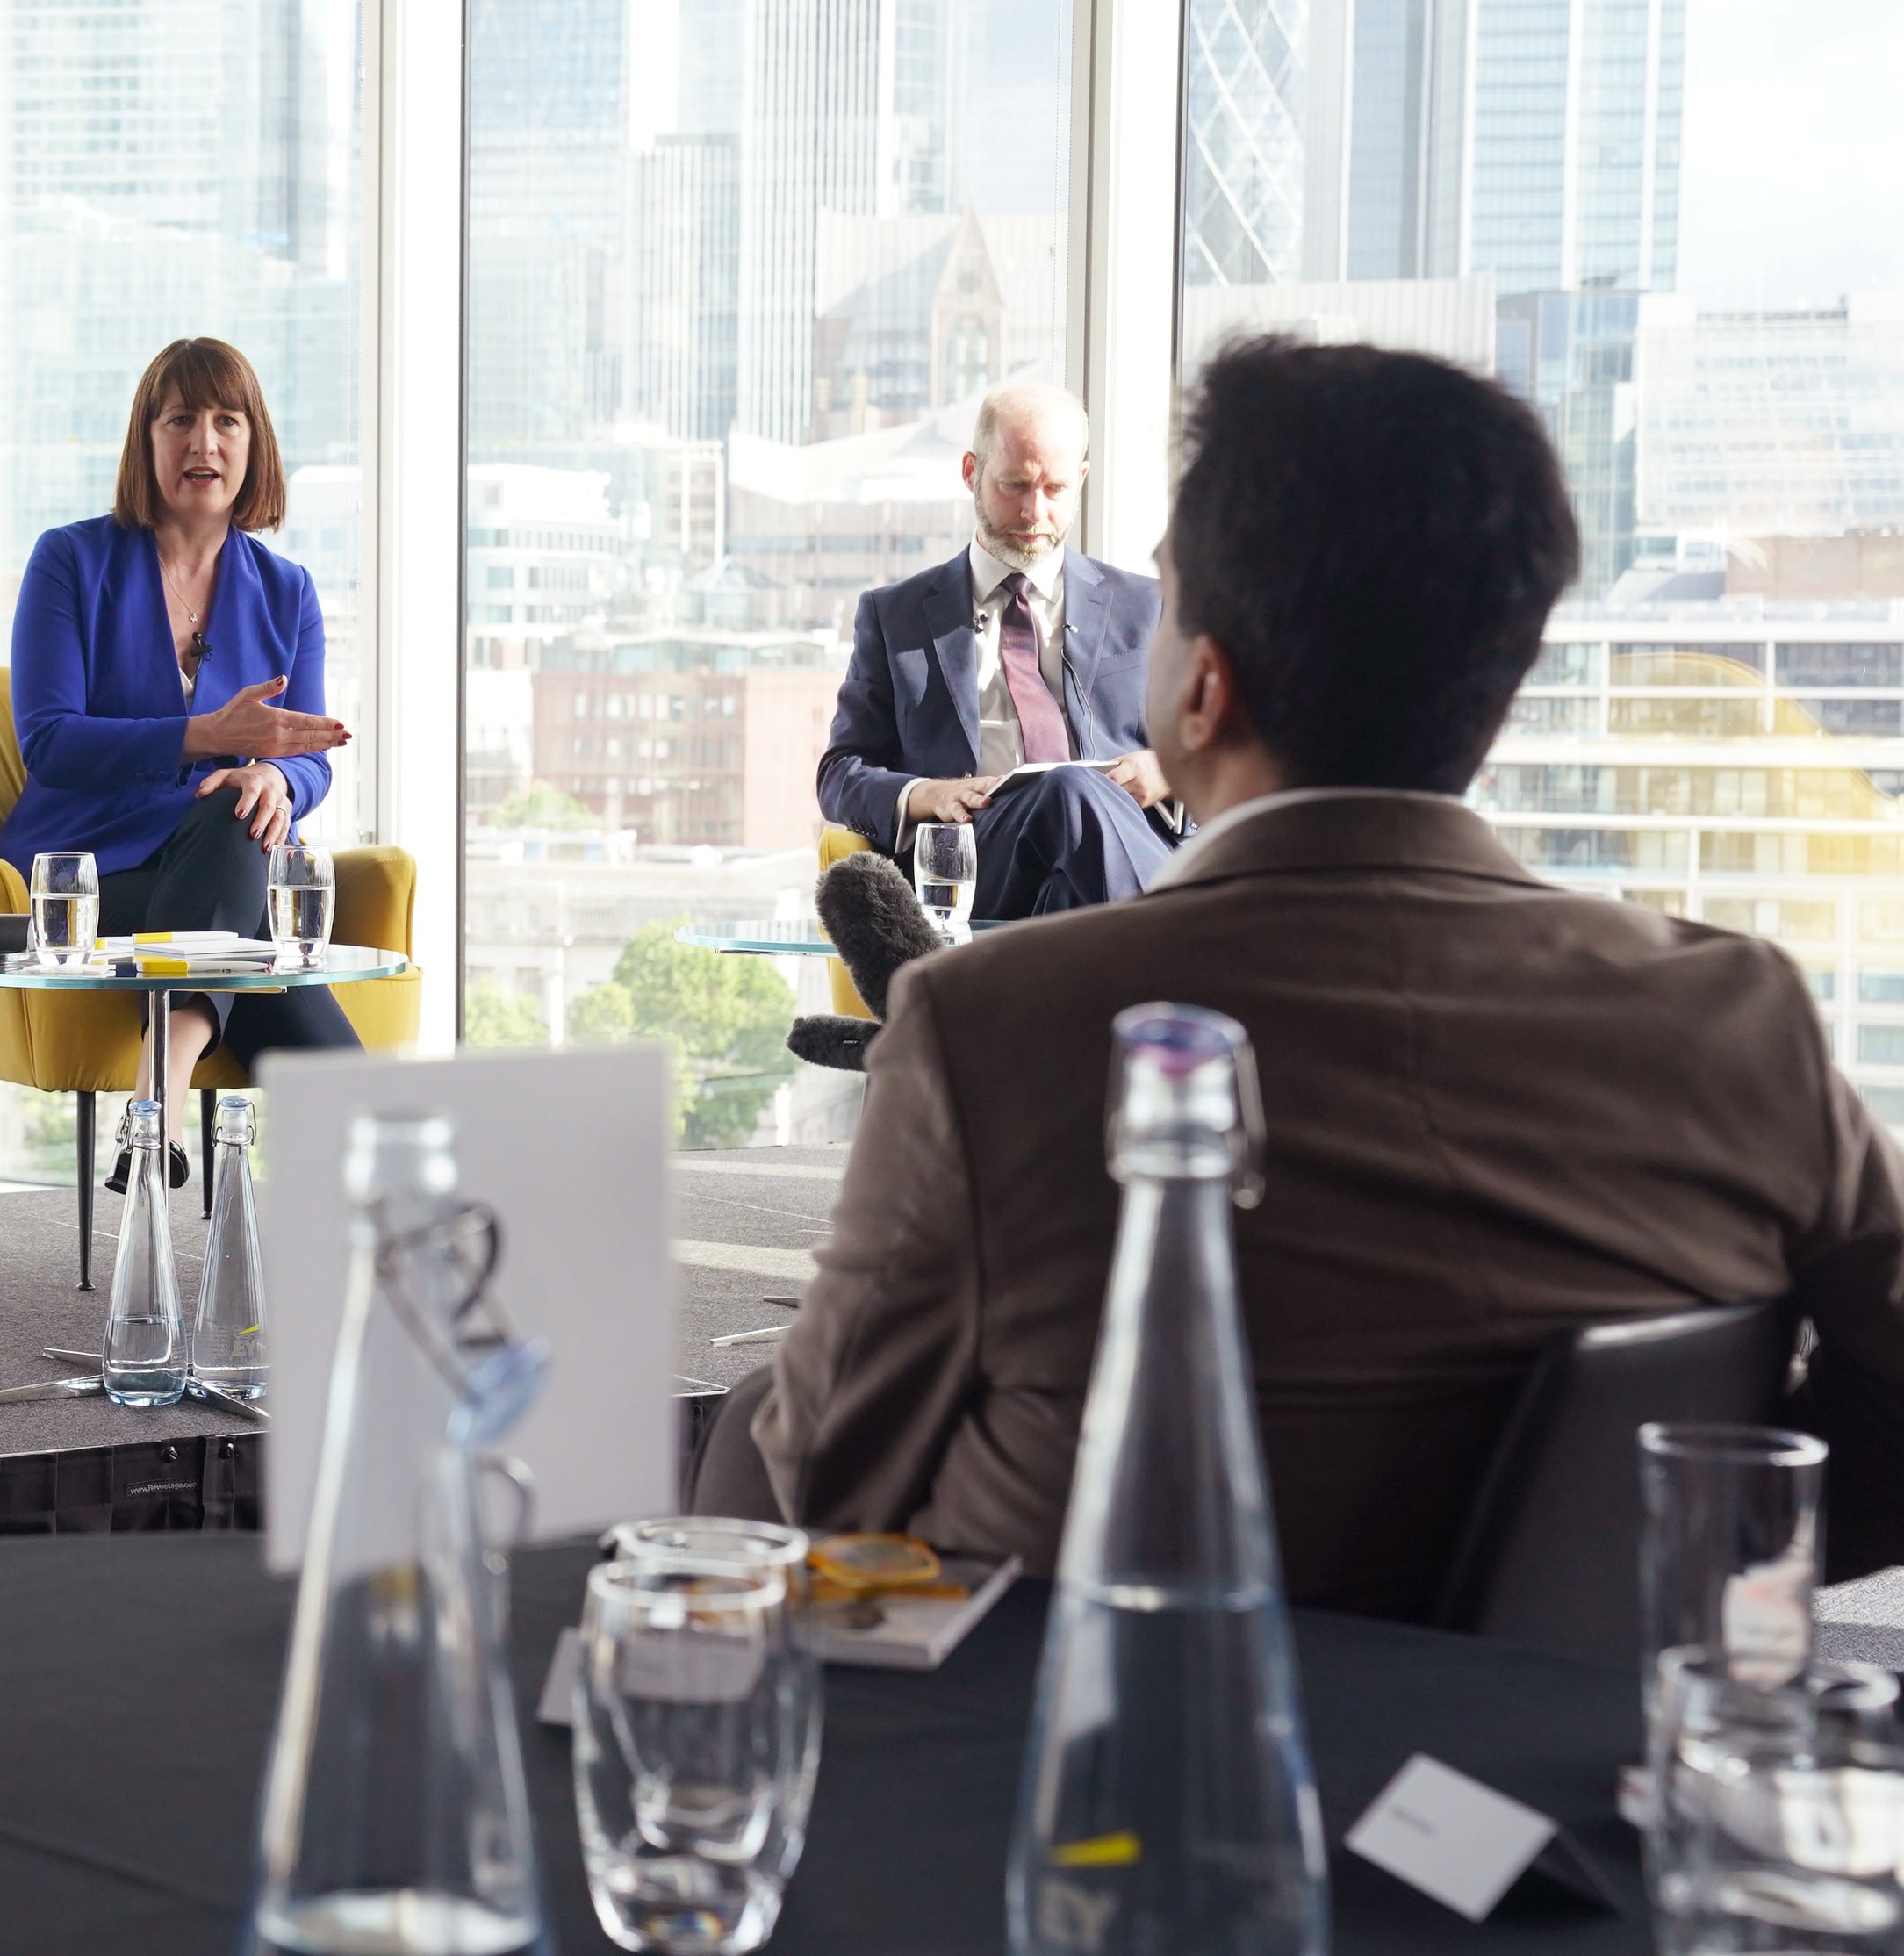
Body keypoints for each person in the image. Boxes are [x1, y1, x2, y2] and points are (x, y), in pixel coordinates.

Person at [700, 337, 1904, 1614]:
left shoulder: (985, 1029)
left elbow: (830, 1479)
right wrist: (1684, 1557)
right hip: (1565, 1780)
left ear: (1203, 690)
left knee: (770, 1412)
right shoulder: (1738, 1020)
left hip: (1091, 1788)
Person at [0, 337, 360, 1132]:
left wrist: (276, 779)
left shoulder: (287, 591)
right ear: (146, 440)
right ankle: (388, 1176)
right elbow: (50, 742)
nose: (205, 442)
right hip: (92, 884)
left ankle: (156, 1094)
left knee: (240, 821)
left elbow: (311, 756)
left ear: (253, 444)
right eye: (180, 420)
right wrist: (205, 737)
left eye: (228, 420)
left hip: (218, 871)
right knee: (246, 881)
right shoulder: (69, 560)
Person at [816, 382, 1175, 919]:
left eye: (1055, 489)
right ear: (971, 472)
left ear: (1080, 480)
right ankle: (1165, 969)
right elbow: (841, 773)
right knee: (1069, 788)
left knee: (1074, 809)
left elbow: (1224, 748)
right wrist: (926, 795)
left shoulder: (1148, 606)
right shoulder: (896, 617)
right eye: (1016, 485)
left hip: (1125, 852)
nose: (1035, 511)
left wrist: (1167, 769)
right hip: (980, 864)